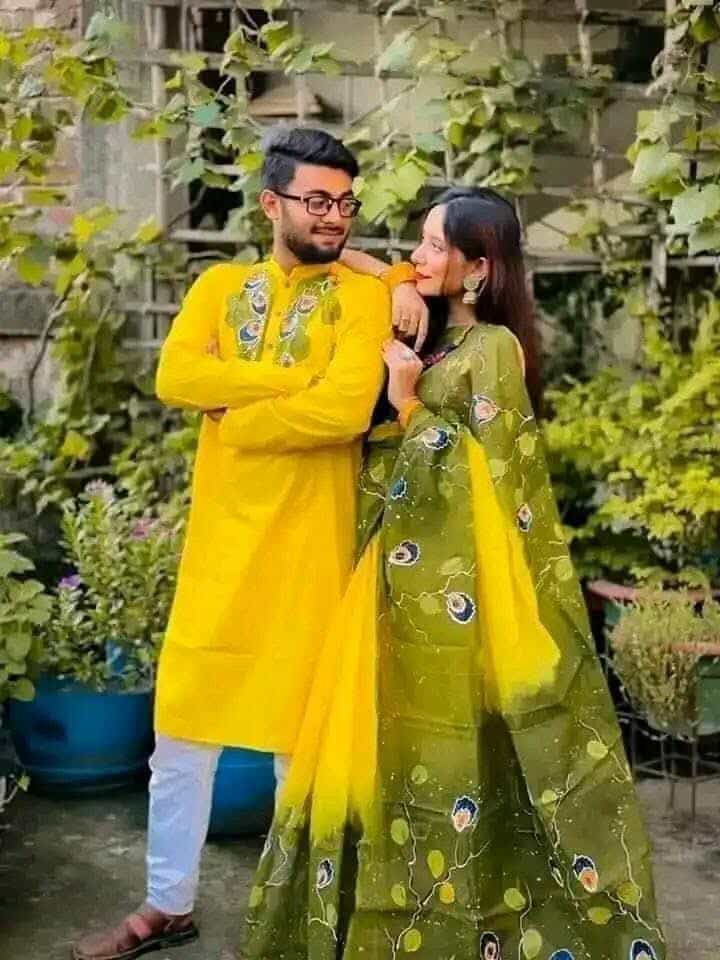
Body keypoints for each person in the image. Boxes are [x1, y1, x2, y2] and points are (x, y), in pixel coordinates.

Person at [242, 187, 667, 960]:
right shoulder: (428, 330)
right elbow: (348, 261)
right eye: (421, 240)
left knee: (463, 753)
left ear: (480, 268)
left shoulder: (493, 349)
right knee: (386, 747)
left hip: (459, 594)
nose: (419, 254)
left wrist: (407, 405)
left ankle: (477, 924)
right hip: (389, 579)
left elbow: (489, 476)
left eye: (437, 246)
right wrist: (399, 278)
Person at [72, 126, 421, 960]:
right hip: (220, 552)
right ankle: (167, 905)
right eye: (318, 200)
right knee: (181, 735)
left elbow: (345, 410)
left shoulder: (363, 299)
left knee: (296, 748)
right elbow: (177, 376)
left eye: (345, 202)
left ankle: (293, 915)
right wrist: (294, 382)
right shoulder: (219, 287)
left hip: (309, 548)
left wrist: (239, 419)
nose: (335, 216)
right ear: (272, 203)